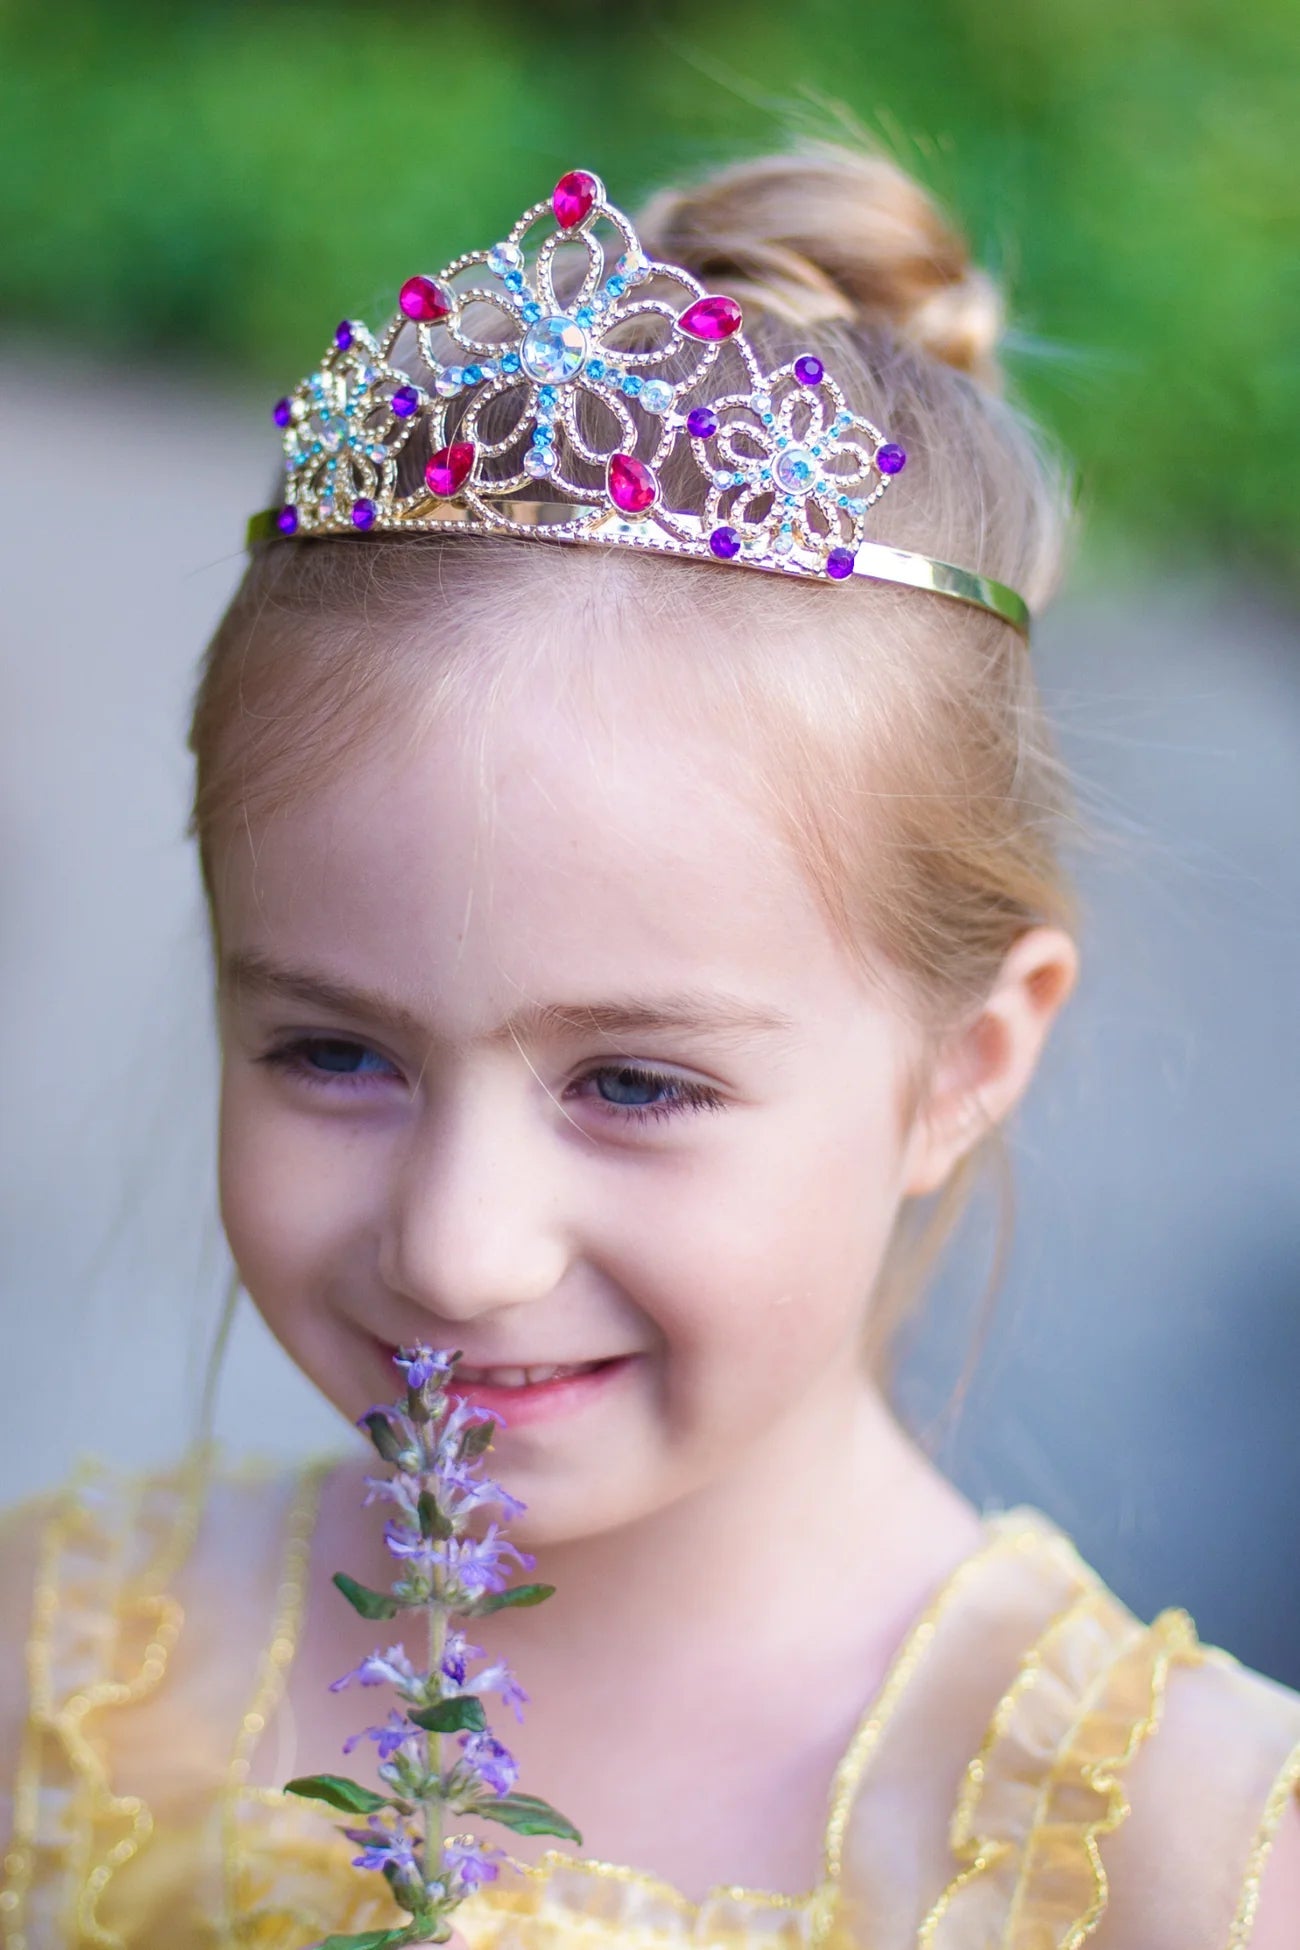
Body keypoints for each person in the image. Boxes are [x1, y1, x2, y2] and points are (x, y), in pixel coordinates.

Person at [1, 140, 1297, 1950]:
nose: (457, 1245)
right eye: (330, 1052)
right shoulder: (48, 1687)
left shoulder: (1187, 1865)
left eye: (633, 1082)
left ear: (966, 1063)